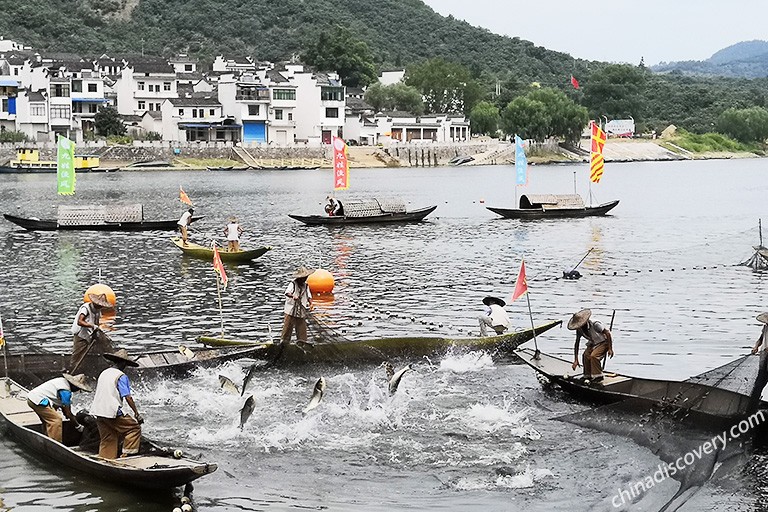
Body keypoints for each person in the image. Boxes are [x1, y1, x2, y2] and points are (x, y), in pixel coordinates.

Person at [90, 349, 143, 459]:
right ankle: (126, 455)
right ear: (122, 363)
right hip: (112, 411)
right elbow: (127, 396)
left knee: (108, 437)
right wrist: (136, 413)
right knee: (134, 428)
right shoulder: (121, 376)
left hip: (98, 410)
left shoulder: (104, 372)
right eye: (125, 364)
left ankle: (105, 459)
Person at [26, 373, 92, 443]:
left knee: (47, 420)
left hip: (32, 398)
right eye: (79, 389)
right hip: (37, 400)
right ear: (75, 386)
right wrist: (78, 426)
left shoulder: (61, 381)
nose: (77, 391)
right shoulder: (66, 391)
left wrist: (67, 413)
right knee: (56, 420)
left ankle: (46, 438)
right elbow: (68, 412)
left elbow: (62, 407)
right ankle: (55, 444)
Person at [568, 309, 613, 383]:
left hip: (604, 341)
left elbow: (607, 333)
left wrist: (610, 349)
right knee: (585, 355)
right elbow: (577, 343)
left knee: (594, 356)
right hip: (593, 342)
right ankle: (587, 375)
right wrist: (576, 359)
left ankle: (598, 376)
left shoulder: (595, 324)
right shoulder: (579, 330)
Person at [70, 293, 112, 369]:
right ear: (95, 303)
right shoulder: (86, 308)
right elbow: (80, 321)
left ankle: (84, 369)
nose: (101, 306)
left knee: (87, 355)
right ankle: (72, 371)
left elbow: (96, 323)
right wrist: (92, 326)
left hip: (89, 335)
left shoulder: (98, 310)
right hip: (80, 335)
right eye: (100, 305)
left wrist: (97, 330)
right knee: (77, 355)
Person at [281, 266, 314, 344]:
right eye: (303, 278)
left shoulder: (306, 286)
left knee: (302, 330)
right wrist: (293, 296)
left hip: (301, 311)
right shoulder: (293, 284)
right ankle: (284, 344)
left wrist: (311, 303)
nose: (304, 279)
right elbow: (287, 293)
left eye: (305, 277)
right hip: (290, 311)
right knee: (287, 329)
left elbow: (309, 296)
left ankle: (302, 343)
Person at [749, 312, 768, 413]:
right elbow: (760, 340)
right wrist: (756, 346)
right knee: (759, 382)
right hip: (764, 357)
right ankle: (752, 405)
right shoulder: (765, 328)